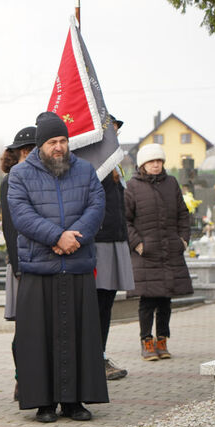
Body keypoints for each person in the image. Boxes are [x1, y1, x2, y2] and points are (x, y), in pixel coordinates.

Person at [7, 112, 107, 423]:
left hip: (76, 263)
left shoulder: (86, 170)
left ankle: (75, 401)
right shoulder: (20, 174)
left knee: (80, 336)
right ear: (40, 145)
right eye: (53, 142)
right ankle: (44, 403)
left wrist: (73, 237)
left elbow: (97, 205)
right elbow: (21, 214)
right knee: (39, 339)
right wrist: (56, 236)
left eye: (63, 140)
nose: (59, 147)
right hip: (41, 266)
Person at [125, 143, 193, 361]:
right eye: (151, 161)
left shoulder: (171, 183)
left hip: (170, 251)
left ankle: (162, 340)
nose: (155, 165)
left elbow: (183, 214)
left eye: (159, 161)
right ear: (143, 165)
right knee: (147, 301)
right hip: (147, 254)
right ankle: (146, 341)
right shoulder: (132, 186)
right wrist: (138, 244)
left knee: (165, 300)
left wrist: (183, 240)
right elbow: (125, 220)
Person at [95, 116, 135, 379]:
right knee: (98, 303)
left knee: (106, 302)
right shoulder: (94, 166)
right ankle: (94, 358)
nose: (116, 137)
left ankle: (100, 354)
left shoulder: (115, 168)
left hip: (116, 239)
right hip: (99, 243)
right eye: (112, 132)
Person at [0, 125, 36, 401]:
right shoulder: (11, 180)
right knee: (24, 327)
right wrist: (20, 265)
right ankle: (21, 378)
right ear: (26, 152)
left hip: (39, 263)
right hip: (22, 264)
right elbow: (11, 228)